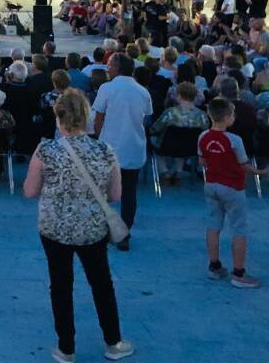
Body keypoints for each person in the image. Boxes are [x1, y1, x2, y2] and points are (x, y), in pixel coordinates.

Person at [23, 88, 134, 363]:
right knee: (101, 283)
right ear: (86, 117)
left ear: (58, 118)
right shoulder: (104, 150)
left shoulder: (45, 150)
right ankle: (113, 341)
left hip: (54, 227)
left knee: (61, 285)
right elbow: (116, 195)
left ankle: (66, 347)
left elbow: (29, 190)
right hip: (92, 226)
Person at [198, 98, 267, 288]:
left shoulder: (203, 136)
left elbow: (202, 161)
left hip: (211, 185)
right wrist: (260, 172)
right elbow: (243, 165)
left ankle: (214, 266)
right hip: (232, 187)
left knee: (213, 225)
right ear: (228, 117)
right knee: (239, 228)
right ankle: (238, 273)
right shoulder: (234, 140)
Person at [91, 53, 151, 251]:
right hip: (133, 147)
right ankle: (123, 233)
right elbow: (145, 119)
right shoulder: (142, 91)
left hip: (109, 147)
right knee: (129, 192)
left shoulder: (107, 88)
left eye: (110, 64)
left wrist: (99, 139)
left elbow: (98, 117)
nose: (107, 68)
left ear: (117, 68)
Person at [149, 82, 209, 185]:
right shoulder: (202, 115)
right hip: (192, 147)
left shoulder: (170, 112)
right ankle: (178, 172)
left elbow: (155, 129)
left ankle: (165, 172)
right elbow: (206, 132)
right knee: (182, 144)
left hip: (169, 146)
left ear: (179, 96)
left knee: (156, 143)